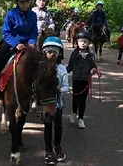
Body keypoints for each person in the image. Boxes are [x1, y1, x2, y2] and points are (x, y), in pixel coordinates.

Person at [0, 0, 38, 97]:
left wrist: (32, 42)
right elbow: (6, 32)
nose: (25, 5)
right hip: (11, 41)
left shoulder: (33, 15)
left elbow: (34, 32)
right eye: (22, 2)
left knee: (41, 59)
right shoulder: (11, 14)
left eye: (27, 2)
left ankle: (39, 87)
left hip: (28, 42)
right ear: (17, 2)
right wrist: (16, 44)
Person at [41, 36, 68, 164]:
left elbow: (66, 87)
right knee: (47, 127)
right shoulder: (41, 68)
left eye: (55, 52)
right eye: (49, 51)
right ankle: (48, 151)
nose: (52, 54)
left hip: (58, 104)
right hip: (47, 104)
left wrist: (60, 90)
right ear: (44, 53)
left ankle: (57, 145)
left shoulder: (62, 69)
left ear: (59, 54)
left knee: (58, 127)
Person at [66, 30, 101, 129]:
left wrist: (94, 70)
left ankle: (81, 118)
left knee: (82, 100)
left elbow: (93, 66)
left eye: (85, 42)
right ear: (77, 42)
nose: (83, 43)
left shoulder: (90, 55)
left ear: (88, 43)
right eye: (81, 41)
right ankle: (73, 113)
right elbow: (70, 66)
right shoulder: (74, 54)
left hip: (85, 80)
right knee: (75, 99)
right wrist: (62, 71)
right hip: (76, 79)